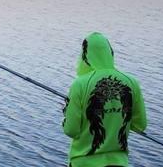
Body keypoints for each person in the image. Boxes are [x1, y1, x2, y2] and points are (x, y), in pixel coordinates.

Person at [61, 32, 148, 167]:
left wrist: (67, 111)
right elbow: (139, 126)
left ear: (85, 55)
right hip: (119, 163)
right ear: (110, 53)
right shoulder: (131, 82)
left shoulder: (80, 84)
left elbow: (71, 130)